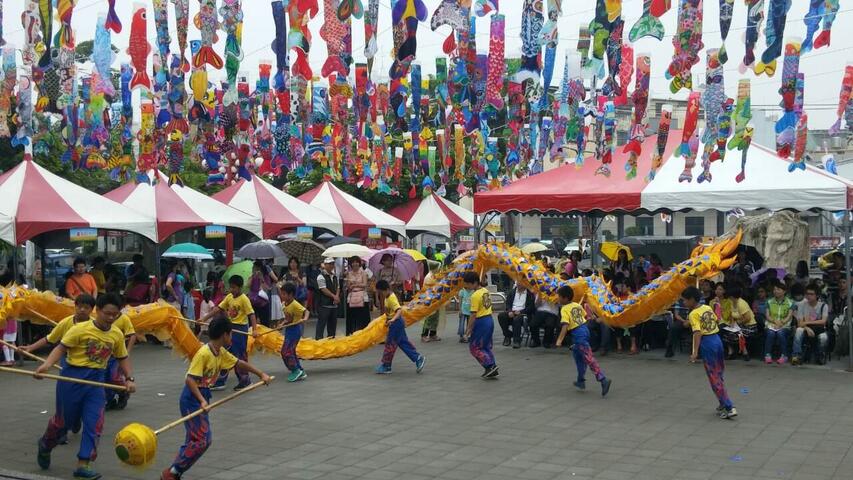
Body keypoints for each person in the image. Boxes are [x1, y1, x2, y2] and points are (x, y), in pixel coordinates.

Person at [35, 293, 137, 479]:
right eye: (107, 313)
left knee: (94, 423)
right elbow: (60, 348)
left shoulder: (116, 334)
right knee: (63, 423)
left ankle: (84, 464)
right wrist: (47, 365)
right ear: (97, 311)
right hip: (72, 378)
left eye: (115, 315)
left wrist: (130, 378)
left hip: (96, 382)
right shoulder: (79, 329)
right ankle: (45, 444)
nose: (111, 318)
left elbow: (122, 357)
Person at [160, 317, 271, 480]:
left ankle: (175, 473)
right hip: (191, 399)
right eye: (230, 334)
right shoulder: (204, 353)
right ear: (224, 335)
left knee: (194, 438)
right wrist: (202, 401)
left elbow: (239, 363)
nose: (231, 337)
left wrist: (261, 374)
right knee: (203, 440)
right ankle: (172, 472)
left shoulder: (220, 352)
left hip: (202, 396)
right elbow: (190, 379)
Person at [681, 286, 737, 419]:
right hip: (717, 340)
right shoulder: (706, 307)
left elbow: (697, 333)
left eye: (685, 300)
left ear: (692, 300)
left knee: (714, 377)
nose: (683, 303)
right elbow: (716, 319)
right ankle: (722, 403)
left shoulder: (693, 313)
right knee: (719, 374)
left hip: (707, 343)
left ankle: (729, 407)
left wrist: (694, 352)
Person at [197, 275, 258, 390]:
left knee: (239, 355)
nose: (231, 290)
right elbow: (217, 309)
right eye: (230, 287)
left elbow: (251, 314)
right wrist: (204, 319)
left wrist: (254, 330)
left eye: (234, 287)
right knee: (224, 352)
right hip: (229, 328)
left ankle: (245, 380)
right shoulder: (229, 297)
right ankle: (220, 380)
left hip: (240, 330)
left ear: (240, 288)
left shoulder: (244, 299)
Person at [554, 286, 612, 396]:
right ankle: (580, 380)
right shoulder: (576, 305)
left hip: (579, 334)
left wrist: (559, 340)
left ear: (565, 298)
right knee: (578, 356)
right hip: (584, 330)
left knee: (588, 358)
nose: (558, 298)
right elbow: (584, 316)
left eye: (559, 297)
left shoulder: (564, 309)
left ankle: (603, 379)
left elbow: (565, 326)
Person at [374, 280, 426, 374]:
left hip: (396, 324)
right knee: (403, 343)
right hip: (395, 323)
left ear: (386, 289)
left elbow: (399, 310)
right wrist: (388, 320)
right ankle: (418, 358)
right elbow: (389, 312)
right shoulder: (387, 297)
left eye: (381, 292)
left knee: (390, 344)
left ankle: (386, 366)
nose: (380, 294)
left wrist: (393, 320)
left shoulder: (391, 298)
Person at [23, 295, 96, 357]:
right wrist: (30, 347)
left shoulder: (95, 324)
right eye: (79, 307)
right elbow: (49, 338)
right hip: (68, 358)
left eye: (86, 308)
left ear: (91, 309)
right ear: (75, 306)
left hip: (88, 359)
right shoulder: (65, 322)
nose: (82, 310)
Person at [463, 272, 499, 378]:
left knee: (474, 347)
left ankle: (489, 366)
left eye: (468, 284)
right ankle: (492, 366)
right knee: (486, 346)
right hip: (489, 320)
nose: (467, 287)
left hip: (481, 322)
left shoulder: (474, 295)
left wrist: (468, 330)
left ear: (474, 283)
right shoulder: (485, 291)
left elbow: (473, 315)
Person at [104, 305, 138, 411]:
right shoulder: (101, 317)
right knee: (105, 378)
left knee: (115, 377)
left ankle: (123, 392)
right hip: (104, 354)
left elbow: (132, 335)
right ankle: (109, 400)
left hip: (118, 355)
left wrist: (127, 352)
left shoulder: (123, 318)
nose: (111, 316)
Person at [792, 283, 830, 366]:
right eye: (807, 294)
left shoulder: (823, 306)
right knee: (798, 330)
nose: (809, 296)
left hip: (819, 329)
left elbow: (823, 321)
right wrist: (807, 328)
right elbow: (800, 322)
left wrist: (807, 322)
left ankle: (821, 355)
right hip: (806, 328)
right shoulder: (802, 305)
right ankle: (796, 355)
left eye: (811, 294)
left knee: (823, 337)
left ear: (817, 295)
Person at [279, 283, 309, 382]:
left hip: (295, 330)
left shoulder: (295, 304)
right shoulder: (284, 304)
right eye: (281, 294)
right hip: (289, 330)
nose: (282, 296)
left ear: (291, 294)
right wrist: (282, 324)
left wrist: (304, 318)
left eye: (284, 294)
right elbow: (287, 318)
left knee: (286, 352)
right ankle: (300, 370)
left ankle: (295, 370)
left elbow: (306, 312)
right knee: (290, 351)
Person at [720, 284, 757, 361]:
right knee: (723, 331)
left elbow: (747, 318)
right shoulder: (732, 303)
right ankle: (731, 352)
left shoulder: (741, 303)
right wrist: (732, 323)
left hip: (749, 326)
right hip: (739, 325)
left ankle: (744, 352)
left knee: (735, 333)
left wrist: (738, 324)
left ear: (732, 297)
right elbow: (732, 316)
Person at [497, 282, 534, 348]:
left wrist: (521, 312)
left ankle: (516, 341)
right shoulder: (512, 292)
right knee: (501, 316)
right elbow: (508, 304)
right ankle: (508, 335)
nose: (519, 284)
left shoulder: (529, 294)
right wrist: (510, 311)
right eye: (518, 282)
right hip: (512, 311)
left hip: (523, 313)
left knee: (517, 319)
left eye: (521, 282)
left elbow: (531, 307)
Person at [764, 281, 793, 364]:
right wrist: (774, 322)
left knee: (780, 333)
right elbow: (767, 315)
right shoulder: (769, 301)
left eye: (778, 289)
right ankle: (767, 355)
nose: (775, 291)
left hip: (784, 325)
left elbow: (789, 316)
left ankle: (784, 355)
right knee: (770, 333)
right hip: (771, 324)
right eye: (774, 289)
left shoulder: (790, 302)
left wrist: (781, 323)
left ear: (784, 291)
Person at [345, 256, 371, 334]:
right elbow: (348, 287)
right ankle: (351, 333)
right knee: (352, 316)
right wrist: (349, 284)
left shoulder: (363, 273)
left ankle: (364, 334)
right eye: (353, 262)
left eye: (356, 262)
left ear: (359, 263)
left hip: (362, 296)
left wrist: (355, 284)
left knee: (363, 316)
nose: (355, 264)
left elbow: (365, 284)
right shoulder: (349, 273)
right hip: (352, 296)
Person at [315, 258, 340, 339]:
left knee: (332, 327)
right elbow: (323, 289)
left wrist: (337, 296)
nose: (331, 265)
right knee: (321, 326)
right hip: (324, 305)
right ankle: (318, 343)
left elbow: (338, 287)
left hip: (334, 305)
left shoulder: (335, 276)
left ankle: (330, 344)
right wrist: (334, 296)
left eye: (332, 264)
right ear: (325, 265)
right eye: (329, 264)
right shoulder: (320, 276)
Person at [248, 261, 272, 328]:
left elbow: (267, 288)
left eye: (256, 268)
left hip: (263, 303)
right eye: (254, 268)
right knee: (252, 322)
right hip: (253, 302)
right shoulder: (252, 277)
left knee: (264, 322)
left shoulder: (265, 276)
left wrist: (261, 278)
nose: (255, 270)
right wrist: (252, 277)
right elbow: (248, 286)